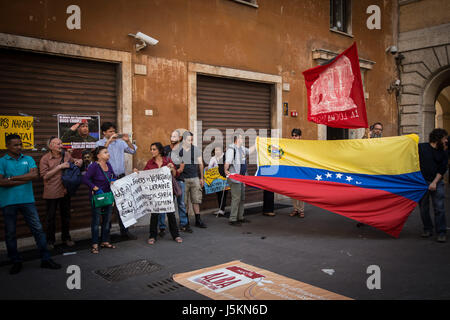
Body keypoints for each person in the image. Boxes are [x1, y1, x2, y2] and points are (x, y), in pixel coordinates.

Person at [0, 134, 61, 274]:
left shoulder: (28, 159)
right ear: (7, 146)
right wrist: (24, 179)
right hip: (8, 202)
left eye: (20, 144)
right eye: (15, 145)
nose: (19, 147)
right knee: (10, 233)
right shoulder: (2, 161)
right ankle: (15, 261)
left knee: (38, 230)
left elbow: (34, 176)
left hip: (28, 200)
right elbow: (1, 182)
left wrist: (11, 179)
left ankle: (45, 259)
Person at [96, 122, 138, 240]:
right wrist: (109, 141)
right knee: (107, 206)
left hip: (120, 178)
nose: (113, 133)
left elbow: (133, 151)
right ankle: (106, 234)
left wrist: (127, 141)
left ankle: (125, 232)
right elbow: (98, 155)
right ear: (104, 133)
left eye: (114, 131)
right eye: (110, 131)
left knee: (123, 206)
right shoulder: (99, 143)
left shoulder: (120, 143)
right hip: (106, 180)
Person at [39, 137, 82, 249]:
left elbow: (74, 162)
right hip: (52, 192)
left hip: (65, 190)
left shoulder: (66, 155)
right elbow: (45, 176)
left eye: (61, 143)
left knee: (66, 216)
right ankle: (50, 241)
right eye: (57, 144)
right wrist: (59, 167)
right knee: (51, 217)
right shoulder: (45, 159)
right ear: (51, 146)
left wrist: (79, 161)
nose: (60, 145)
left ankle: (66, 238)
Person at [142, 142, 182, 245]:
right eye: (151, 149)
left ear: (159, 151)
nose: (152, 151)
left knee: (170, 214)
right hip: (155, 193)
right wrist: (137, 173)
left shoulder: (167, 160)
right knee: (154, 214)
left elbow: (176, 174)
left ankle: (176, 235)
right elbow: (144, 176)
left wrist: (172, 168)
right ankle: (152, 235)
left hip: (167, 193)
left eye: (154, 149)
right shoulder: (150, 163)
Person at [82, 146, 117, 253]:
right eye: (105, 152)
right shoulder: (94, 166)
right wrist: (94, 188)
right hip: (97, 197)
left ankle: (105, 241)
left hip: (108, 196)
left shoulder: (109, 165)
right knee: (96, 221)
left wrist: (112, 180)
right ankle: (95, 244)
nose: (108, 154)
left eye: (108, 152)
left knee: (107, 221)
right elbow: (85, 178)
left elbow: (113, 176)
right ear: (98, 156)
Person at [418, 128, 448, 243]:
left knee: (439, 208)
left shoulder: (443, 152)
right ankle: (427, 229)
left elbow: (442, 169)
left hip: (437, 182)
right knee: (423, 208)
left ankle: (441, 232)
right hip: (422, 183)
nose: (446, 141)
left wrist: (434, 182)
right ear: (438, 138)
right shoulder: (422, 147)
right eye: (444, 138)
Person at [163, 130, 192, 234]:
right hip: (166, 181)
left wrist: (176, 172)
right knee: (166, 203)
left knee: (181, 203)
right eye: (172, 136)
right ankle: (162, 227)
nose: (173, 138)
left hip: (179, 180)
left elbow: (182, 167)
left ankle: (184, 224)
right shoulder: (165, 149)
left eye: (175, 136)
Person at [224, 134, 255, 226]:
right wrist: (225, 170)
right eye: (241, 138)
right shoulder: (231, 149)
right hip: (235, 178)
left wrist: (257, 143)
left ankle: (240, 217)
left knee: (242, 198)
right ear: (236, 139)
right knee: (236, 198)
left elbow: (250, 151)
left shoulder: (241, 148)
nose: (243, 139)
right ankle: (233, 219)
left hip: (242, 178)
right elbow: (228, 161)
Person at [177, 131, 207, 228]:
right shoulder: (179, 150)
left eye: (192, 139)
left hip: (195, 178)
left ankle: (198, 220)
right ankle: (186, 222)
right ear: (184, 140)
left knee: (196, 200)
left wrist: (202, 178)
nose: (191, 141)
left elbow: (201, 163)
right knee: (184, 202)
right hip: (183, 179)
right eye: (189, 139)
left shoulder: (196, 149)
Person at [289, 128, 305, 218]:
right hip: (292, 171)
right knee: (293, 192)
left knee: (301, 191)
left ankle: (301, 210)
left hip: (301, 171)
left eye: (296, 136)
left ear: (300, 137)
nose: (294, 137)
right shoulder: (289, 146)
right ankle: (295, 209)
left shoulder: (303, 146)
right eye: (293, 135)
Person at [208, 145, 228, 217]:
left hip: (224, 178)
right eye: (216, 150)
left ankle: (222, 209)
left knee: (224, 193)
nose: (217, 151)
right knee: (218, 193)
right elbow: (210, 167)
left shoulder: (225, 157)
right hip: (216, 179)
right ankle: (220, 208)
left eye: (218, 150)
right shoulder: (213, 158)